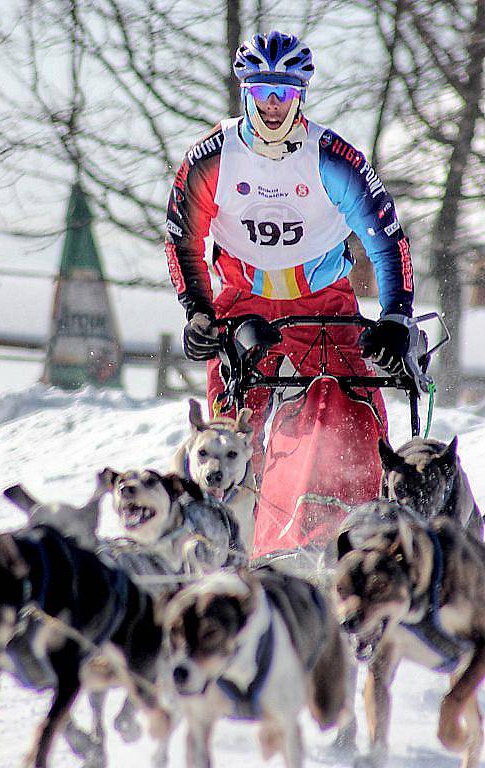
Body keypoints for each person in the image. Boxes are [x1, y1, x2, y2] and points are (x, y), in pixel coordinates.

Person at [165, 31, 415, 556]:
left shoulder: (333, 157)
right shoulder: (212, 157)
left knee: (350, 403)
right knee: (231, 422)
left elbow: (386, 239)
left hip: (321, 303)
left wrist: (395, 316)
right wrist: (197, 311)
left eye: (285, 92)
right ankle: (221, 542)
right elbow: (183, 235)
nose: (274, 105)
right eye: (262, 93)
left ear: (302, 95)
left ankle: (357, 536)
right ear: (245, 95)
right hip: (241, 297)